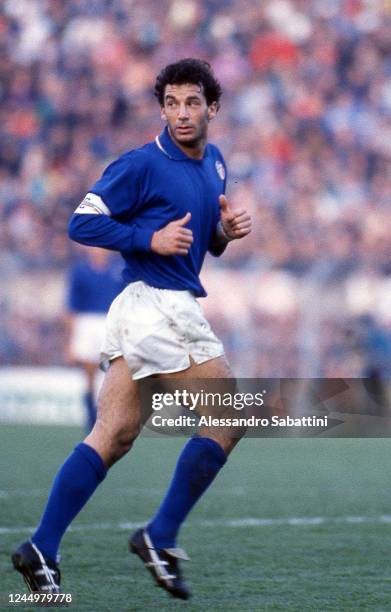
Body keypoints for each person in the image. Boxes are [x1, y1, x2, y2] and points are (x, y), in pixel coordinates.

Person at [12, 58, 252, 600]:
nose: (181, 113)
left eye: (192, 102)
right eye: (170, 103)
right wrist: (147, 240)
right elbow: (81, 221)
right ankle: (159, 536)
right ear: (161, 108)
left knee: (113, 436)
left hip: (150, 309)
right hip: (158, 307)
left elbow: (202, 243)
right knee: (229, 418)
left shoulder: (214, 163)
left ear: (212, 108)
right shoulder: (140, 164)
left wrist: (223, 234)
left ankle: (41, 548)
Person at [65, 245, 126, 431]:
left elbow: (126, 302)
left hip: (110, 322)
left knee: (114, 371)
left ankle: (109, 415)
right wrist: (70, 339)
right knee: (90, 373)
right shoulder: (80, 272)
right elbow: (71, 307)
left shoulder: (119, 270)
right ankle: (91, 418)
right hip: (87, 323)